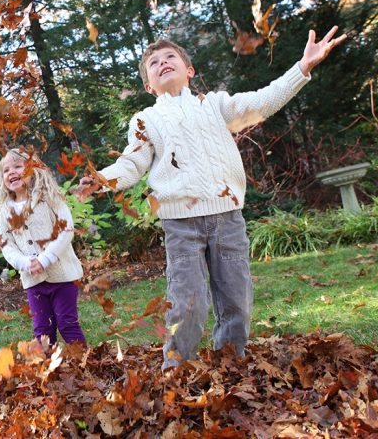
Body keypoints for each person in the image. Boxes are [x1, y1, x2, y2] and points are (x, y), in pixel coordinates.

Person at [79, 27, 347, 369]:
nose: (163, 63)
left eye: (170, 57)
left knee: (236, 299)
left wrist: (302, 68)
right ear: (148, 86)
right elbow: (132, 162)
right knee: (188, 302)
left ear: (189, 71)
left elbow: (262, 101)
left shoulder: (216, 105)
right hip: (181, 225)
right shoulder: (146, 119)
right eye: (154, 63)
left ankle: (230, 363)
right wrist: (103, 179)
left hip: (227, 219)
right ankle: (176, 368)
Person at [0, 148, 87, 347]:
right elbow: (6, 244)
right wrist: (25, 263)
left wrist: (45, 258)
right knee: (42, 330)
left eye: (18, 166)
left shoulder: (49, 197)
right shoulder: (4, 211)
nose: (12, 172)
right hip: (32, 280)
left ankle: (85, 366)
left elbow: (66, 229)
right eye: (6, 170)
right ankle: (48, 372)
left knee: (67, 323)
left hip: (63, 276)